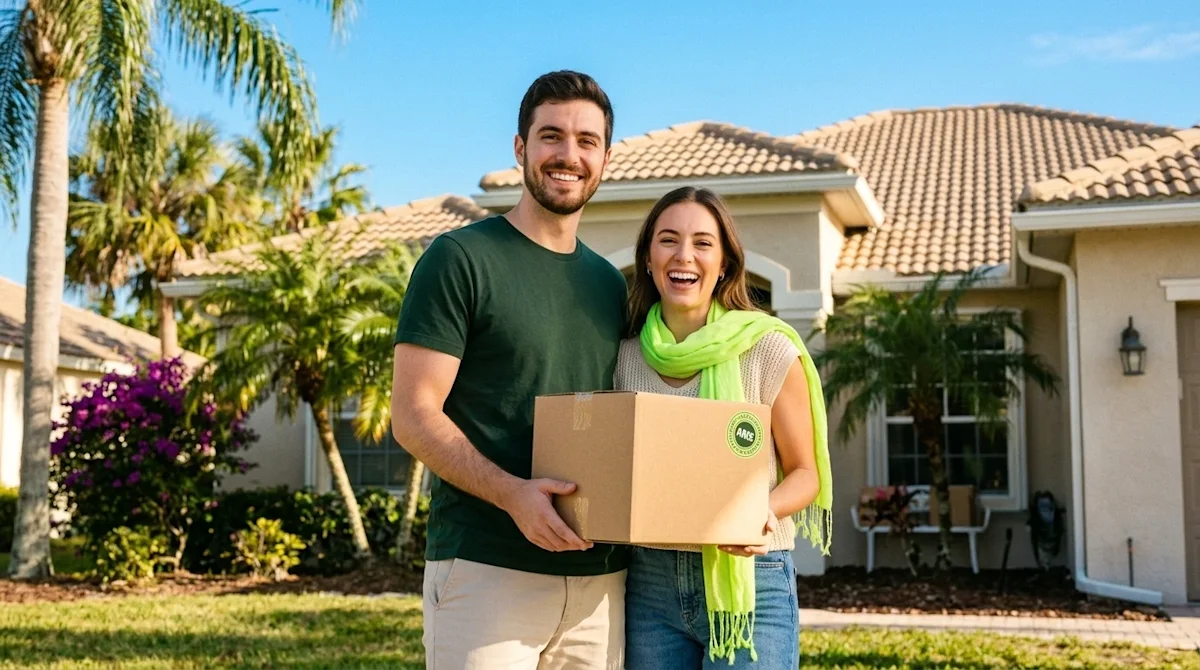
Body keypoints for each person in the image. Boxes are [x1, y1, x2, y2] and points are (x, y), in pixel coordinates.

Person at [390, 70, 628, 670]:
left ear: (605, 158)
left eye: (586, 141)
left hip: (601, 581)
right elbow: (413, 416)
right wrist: (514, 496)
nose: (568, 155)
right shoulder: (460, 259)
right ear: (520, 148)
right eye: (551, 136)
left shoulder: (609, 284)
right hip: (486, 569)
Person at [615, 186, 833, 668]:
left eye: (703, 243)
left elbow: (805, 473)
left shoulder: (769, 349)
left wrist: (762, 510)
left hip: (751, 575)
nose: (684, 255)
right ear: (648, 258)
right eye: (668, 240)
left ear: (726, 264)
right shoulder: (625, 358)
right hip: (649, 583)